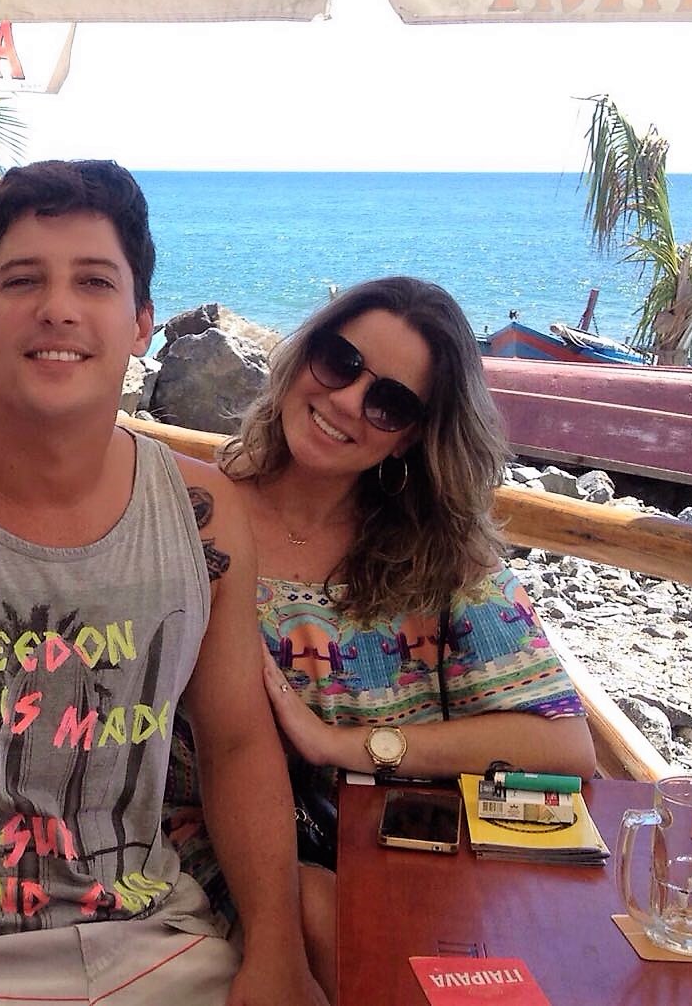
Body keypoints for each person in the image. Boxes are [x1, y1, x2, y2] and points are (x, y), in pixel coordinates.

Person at [0, 160, 326, 1006]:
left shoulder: (203, 514)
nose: (58, 307)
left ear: (141, 325)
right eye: (23, 280)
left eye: (94, 281)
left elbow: (238, 745)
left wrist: (276, 951)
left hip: (151, 942)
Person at [165, 276, 596, 1001]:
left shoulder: (439, 553)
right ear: (304, 353)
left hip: (403, 843)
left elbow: (563, 744)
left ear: (415, 434)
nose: (346, 402)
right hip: (224, 845)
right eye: (340, 362)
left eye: (388, 402)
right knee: (324, 913)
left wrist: (344, 745)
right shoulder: (196, 517)